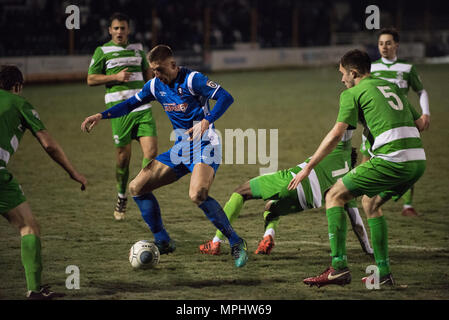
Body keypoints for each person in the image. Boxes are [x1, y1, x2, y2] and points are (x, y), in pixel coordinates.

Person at [81, 45, 248, 268]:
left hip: (205, 145)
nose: (156, 74)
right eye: (153, 70)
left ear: (172, 65)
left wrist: (207, 121)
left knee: (197, 194)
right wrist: (102, 115)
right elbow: (131, 103)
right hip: (181, 149)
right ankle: (163, 240)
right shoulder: (154, 85)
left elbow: (226, 97)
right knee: (136, 188)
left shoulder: (193, 80)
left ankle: (236, 242)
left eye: (159, 69)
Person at [288, 49, 426, 288]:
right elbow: (420, 124)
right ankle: (383, 273)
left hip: (391, 159)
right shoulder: (390, 85)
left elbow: (336, 134)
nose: (342, 79)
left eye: (343, 74)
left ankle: (338, 268)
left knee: (334, 195)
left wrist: (308, 167)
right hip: (417, 161)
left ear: (353, 73)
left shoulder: (352, 93)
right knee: (370, 203)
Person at [199, 132, 373, 257]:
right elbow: (356, 221)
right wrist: (368, 249)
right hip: (308, 201)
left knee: (241, 192)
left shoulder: (340, 148)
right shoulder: (347, 182)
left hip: (293, 179)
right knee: (271, 208)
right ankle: (268, 236)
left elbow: (344, 128)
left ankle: (216, 241)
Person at [0, 65, 87, 299]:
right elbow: (49, 144)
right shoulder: (19, 103)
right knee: (28, 227)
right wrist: (73, 172)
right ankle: (35, 290)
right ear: (17, 86)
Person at [87, 12, 157, 221]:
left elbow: (148, 76)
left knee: (151, 153)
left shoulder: (138, 49)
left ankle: (141, 188)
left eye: (123, 28)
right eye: (115, 28)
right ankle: (121, 195)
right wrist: (115, 77)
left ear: (128, 29)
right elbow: (90, 79)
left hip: (142, 109)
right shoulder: (102, 51)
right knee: (122, 159)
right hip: (119, 112)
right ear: (110, 30)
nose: (119, 32)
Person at [360, 27, 430, 217]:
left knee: (407, 158)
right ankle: (364, 196)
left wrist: (426, 113)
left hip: (401, 123)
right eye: (381, 43)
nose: (384, 47)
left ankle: (407, 205)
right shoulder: (372, 69)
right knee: (366, 159)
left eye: (388, 43)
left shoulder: (406, 69)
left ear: (396, 45)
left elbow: (421, 91)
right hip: (373, 123)